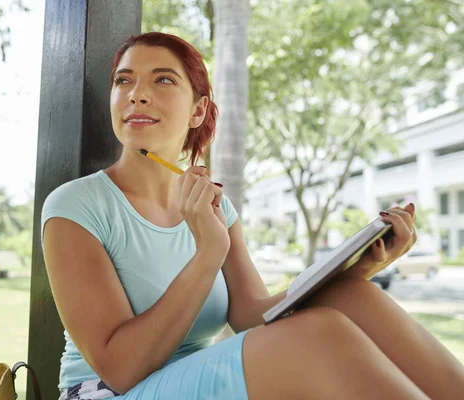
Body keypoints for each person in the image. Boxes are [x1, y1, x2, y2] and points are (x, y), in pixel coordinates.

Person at [41, 32, 464, 400]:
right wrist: (207, 253)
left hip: (190, 380)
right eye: (123, 80)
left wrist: (357, 268)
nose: (136, 93)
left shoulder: (214, 206)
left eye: (163, 79)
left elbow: (251, 316)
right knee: (317, 335)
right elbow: (119, 369)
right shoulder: (75, 207)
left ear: (198, 111)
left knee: (353, 296)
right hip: (105, 392)